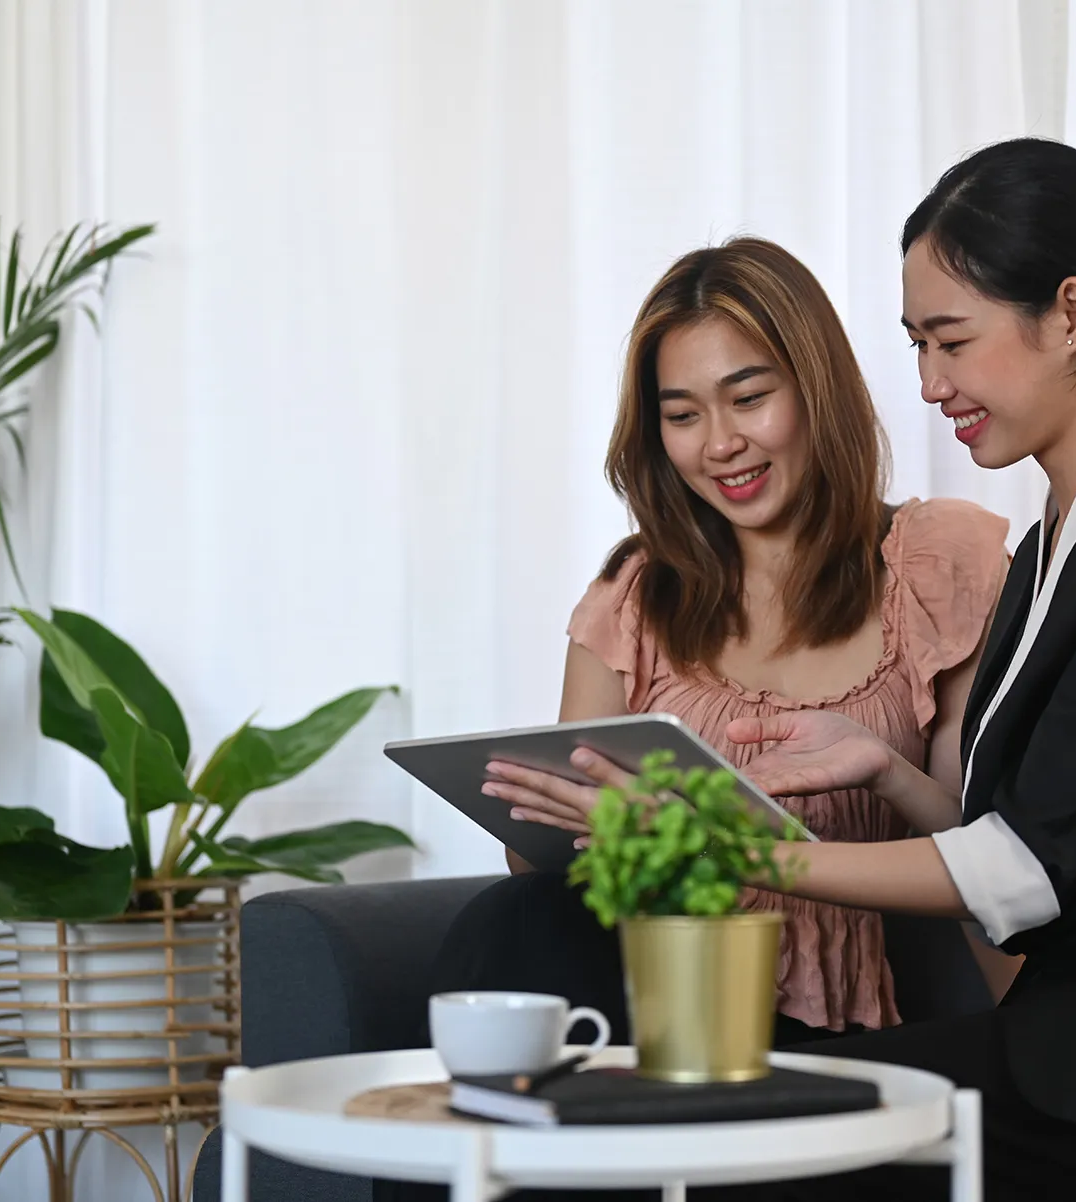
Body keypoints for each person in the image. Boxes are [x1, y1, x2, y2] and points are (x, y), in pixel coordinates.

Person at [524, 139, 1076, 1202]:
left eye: (950, 340)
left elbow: (1024, 873)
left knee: (759, 1138)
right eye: (916, 345)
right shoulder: (1052, 542)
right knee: (733, 1117)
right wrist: (884, 771)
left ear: (1073, 315)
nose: (929, 383)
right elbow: (1034, 827)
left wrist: (738, 846)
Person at [429, 235, 1019, 1049]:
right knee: (520, 914)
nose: (718, 444)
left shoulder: (935, 565)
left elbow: (985, 843)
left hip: (859, 1003)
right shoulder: (634, 595)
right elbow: (539, 872)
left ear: (816, 391)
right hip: (659, 985)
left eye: (747, 398)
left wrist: (882, 772)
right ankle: (484, 1161)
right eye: (681, 415)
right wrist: (588, 822)